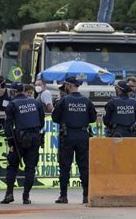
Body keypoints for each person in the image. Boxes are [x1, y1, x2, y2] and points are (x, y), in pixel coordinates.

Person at [52, 76, 97, 204]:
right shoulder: (86, 101)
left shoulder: (64, 100)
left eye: (65, 85)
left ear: (68, 86)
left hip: (67, 136)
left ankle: (63, 196)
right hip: (83, 136)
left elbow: (55, 118)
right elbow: (93, 118)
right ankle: (86, 195)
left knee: (65, 166)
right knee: (84, 166)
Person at [0, 82, 45, 205]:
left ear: (14, 91)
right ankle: (26, 196)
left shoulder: (12, 104)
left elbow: (8, 125)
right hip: (35, 137)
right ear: (24, 90)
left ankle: (9, 194)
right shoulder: (36, 102)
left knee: (12, 166)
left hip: (18, 139)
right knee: (30, 168)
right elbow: (42, 122)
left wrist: (11, 141)